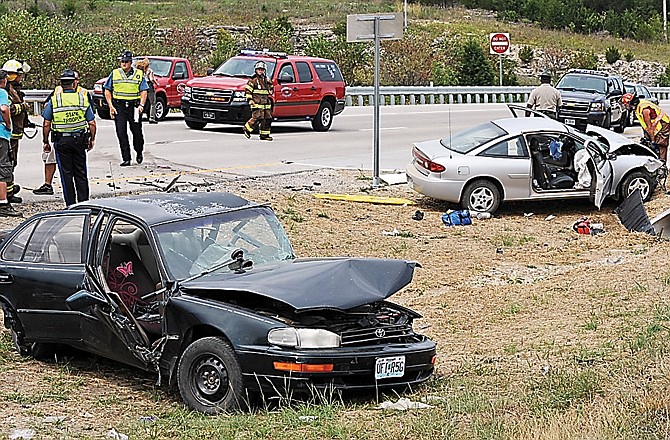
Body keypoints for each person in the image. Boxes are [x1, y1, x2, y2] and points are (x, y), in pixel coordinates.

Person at [42, 69, 96, 206]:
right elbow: (92, 123)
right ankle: (84, 204)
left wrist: (45, 141)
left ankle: (70, 205)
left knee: (66, 175)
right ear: (73, 84)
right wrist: (92, 139)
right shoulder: (82, 98)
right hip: (79, 141)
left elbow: (46, 124)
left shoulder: (55, 100)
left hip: (61, 142)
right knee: (81, 174)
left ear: (61, 84)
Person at [104, 50, 148, 166]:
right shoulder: (115, 73)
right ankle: (126, 158)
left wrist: (141, 105)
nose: (124, 64)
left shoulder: (139, 74)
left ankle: (139, 151)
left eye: (126, 62)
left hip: (134, 107)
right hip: (119, 106)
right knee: (121, 132)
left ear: (130, 62)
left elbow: (144, 91)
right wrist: (110, 106)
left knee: (137, 132)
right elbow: (107, 89)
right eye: (122, 61)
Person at [2, 59, 33, 204]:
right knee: (7, 163)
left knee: (11, 162)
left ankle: (9, 188)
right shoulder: (6, 91)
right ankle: (7, 194)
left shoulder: (14, 89)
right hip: (9, 135)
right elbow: (10, 109)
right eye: (19, 74)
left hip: (15, 133)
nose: (21, 77)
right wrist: (23, 106)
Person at [622, 92, 670, 163]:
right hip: (654, 125)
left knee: (660, 144)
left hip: (662, 124)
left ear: (631, 103)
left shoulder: (645, 109)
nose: (625, 106)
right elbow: (646, 126)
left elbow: (650, 127)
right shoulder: (638, 106)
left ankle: (662, 165)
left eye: (625, 104)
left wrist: (653, 141)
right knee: (648, 142)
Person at [0, 70, 20, 216]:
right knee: (3, 170)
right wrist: (8, 124)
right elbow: (4, 108)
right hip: (1, 135)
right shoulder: (2, 92)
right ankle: (3, 204)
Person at [243, 60, 274, 141]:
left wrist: (270, 86)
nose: (260, 71)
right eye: (259, 69)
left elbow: (270, 88)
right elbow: (248, 91)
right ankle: (247, 129)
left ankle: (265, 135)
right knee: (257, 118)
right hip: (257, 103)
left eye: (262, 69)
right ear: (256, 70)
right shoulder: (253, 80)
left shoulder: (266, 80)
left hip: (266, 104)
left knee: (267, 119)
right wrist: (250, 100)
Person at [135, 58, 158, 124]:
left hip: (141, 85)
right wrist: (156, 83)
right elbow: (151, 79)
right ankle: (152, 117)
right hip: (149, 86)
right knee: (152, 103)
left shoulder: (139, 71)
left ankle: (139, 116)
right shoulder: (149, 71)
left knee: (142, 102)